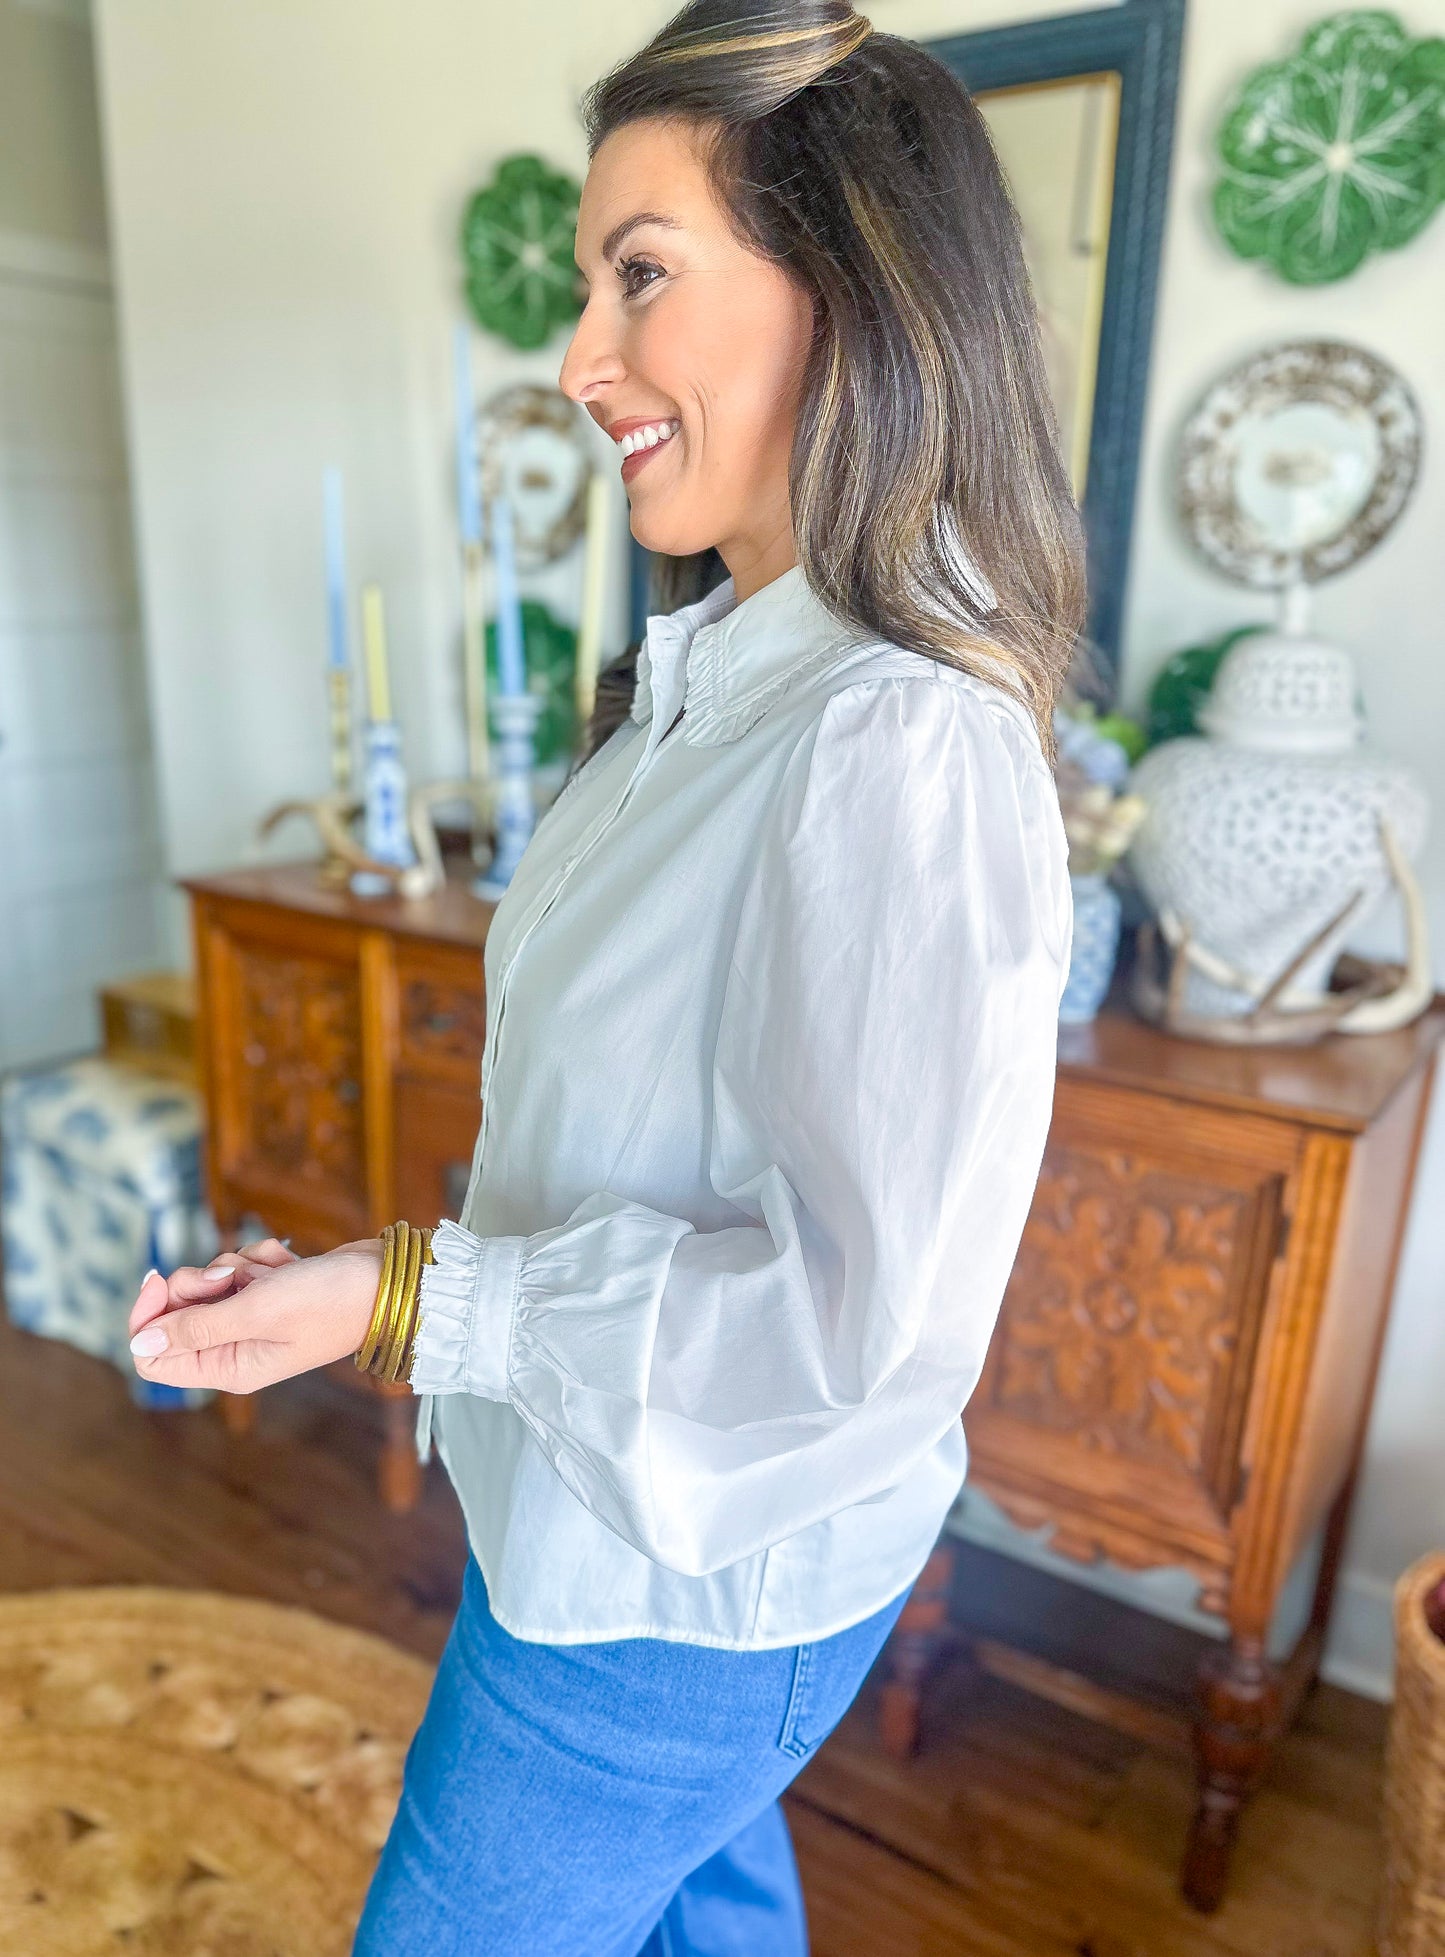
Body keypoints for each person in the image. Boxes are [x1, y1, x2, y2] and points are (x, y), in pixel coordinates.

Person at [127, 2, 1083, 1949]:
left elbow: (843, 1328)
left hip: (674, 1589)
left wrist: (393, 1292)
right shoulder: (703, 685)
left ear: (849, 286)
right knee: (702, 1915)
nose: (580, 361)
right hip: (593, 1511)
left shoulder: (894, 738)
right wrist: (389, 1293)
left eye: (640, 274)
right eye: (591, 286)